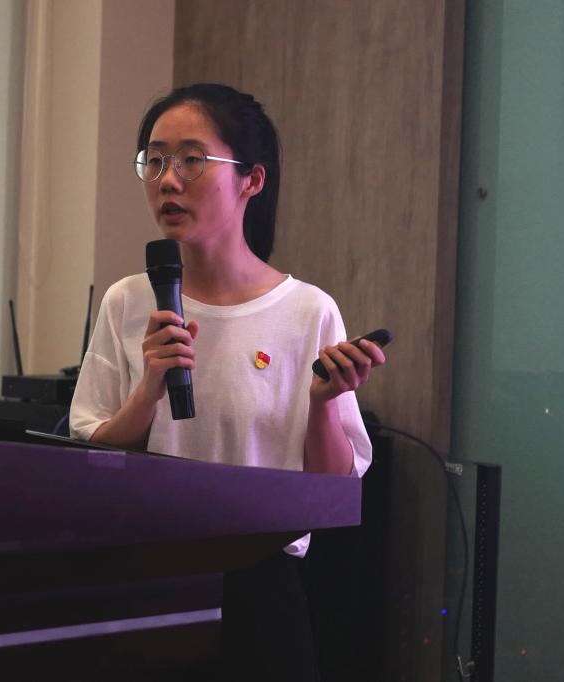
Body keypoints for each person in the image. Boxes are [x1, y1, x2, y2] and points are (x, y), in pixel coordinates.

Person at [68, 83, 385, 681]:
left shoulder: (307, 311)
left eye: (192, 160)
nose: (168, 180)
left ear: (251, 180)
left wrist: (323, 404)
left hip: (259, 587)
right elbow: (91, 460)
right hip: (143, 582)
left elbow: (331, 491)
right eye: (155, 160)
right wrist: (148, 391)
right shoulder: (128, 301)